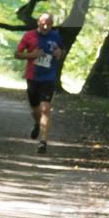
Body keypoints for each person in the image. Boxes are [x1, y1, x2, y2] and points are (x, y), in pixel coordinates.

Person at [15, 13, 66, 154]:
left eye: (48, 24)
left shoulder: (56, 36)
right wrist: (31, 55)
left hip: (49, 77)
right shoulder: (29, 36)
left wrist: (59, 54)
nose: (45, 26)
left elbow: (62, 51)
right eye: (43, 23)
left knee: (45, 108)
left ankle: (43, 141)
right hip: (32, 77)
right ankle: (37, 124)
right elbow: (17, 54)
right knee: (35, 109)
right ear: (38, 22)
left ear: (52, 24)